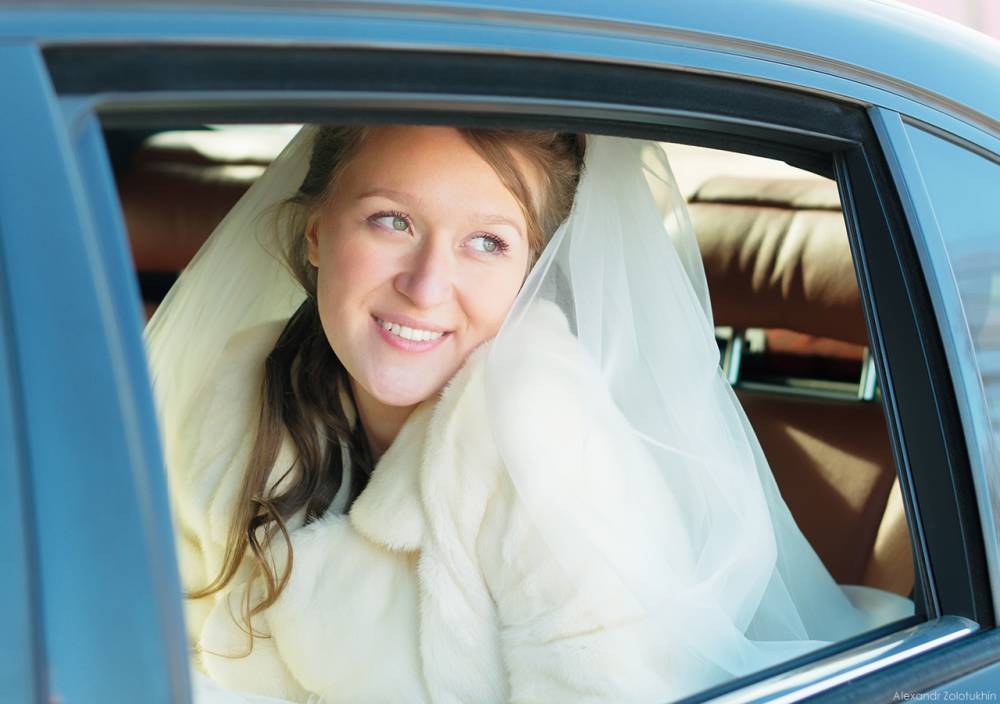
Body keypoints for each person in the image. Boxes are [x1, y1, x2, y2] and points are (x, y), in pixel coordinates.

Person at [145, 124, 913, 704]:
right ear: (316, 233)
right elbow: (154, 645)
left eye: (487, 242)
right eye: (392, 221)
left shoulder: (542, 437)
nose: (426, 284)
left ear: (533, 272)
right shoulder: (241, 392)